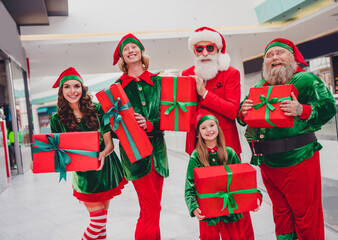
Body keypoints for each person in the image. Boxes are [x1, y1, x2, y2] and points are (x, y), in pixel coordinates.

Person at [238, 38, 337, 239]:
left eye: (279, 53)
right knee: (281, 215)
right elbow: (243, 117)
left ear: (292, 57)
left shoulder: (307, 80)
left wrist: (302, 109)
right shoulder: (259, 86)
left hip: (298, 158)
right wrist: (243, 111)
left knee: (306, 217)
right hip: (267, 162)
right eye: (269, 55)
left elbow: (329, 107)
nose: (274, 57)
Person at [182, 26, 255, 239]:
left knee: (237, 198)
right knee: (206, 199)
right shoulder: (187, 75)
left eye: (209, 47)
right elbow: (185, 113)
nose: (204, 52)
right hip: (199, 147)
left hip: (227, 145)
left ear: (218, 49)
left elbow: (233, 110)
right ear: (194, 51)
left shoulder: (230, 73)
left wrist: (203, 93)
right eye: (199, 48)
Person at [50, 67, 128, 240]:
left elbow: (109, 145)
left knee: (102, 226)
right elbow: (57, 151)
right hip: (84, 176)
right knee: (97, 222)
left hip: (105, 170)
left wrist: (103, 154)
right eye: (67, 87)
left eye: (76, 86)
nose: (72, 91)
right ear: (61, 91)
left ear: (82, 89)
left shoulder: (98, 109)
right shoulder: (57, 119)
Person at [112, 33, 169, 240]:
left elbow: (172, 116)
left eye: (134, 47)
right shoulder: (116, 88)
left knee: (154, 209)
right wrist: (122, 124)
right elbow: (110, 127)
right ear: (122, 57)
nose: (130, 50)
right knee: (151, 207)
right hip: (134, 156)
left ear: (141, 53)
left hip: (158, 154)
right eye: (126, 49)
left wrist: (150, 123)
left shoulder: (159, 82)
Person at [185, 112, 261, 240]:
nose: (209, 130)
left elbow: (244, 180)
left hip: (230, 210)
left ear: (218, 128)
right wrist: (193, 207)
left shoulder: (229, 153)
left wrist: (256, 196)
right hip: (208, 212)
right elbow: (190, 185)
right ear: (198, 133)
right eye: (203, 128)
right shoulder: (196, 157)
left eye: (211, 125)